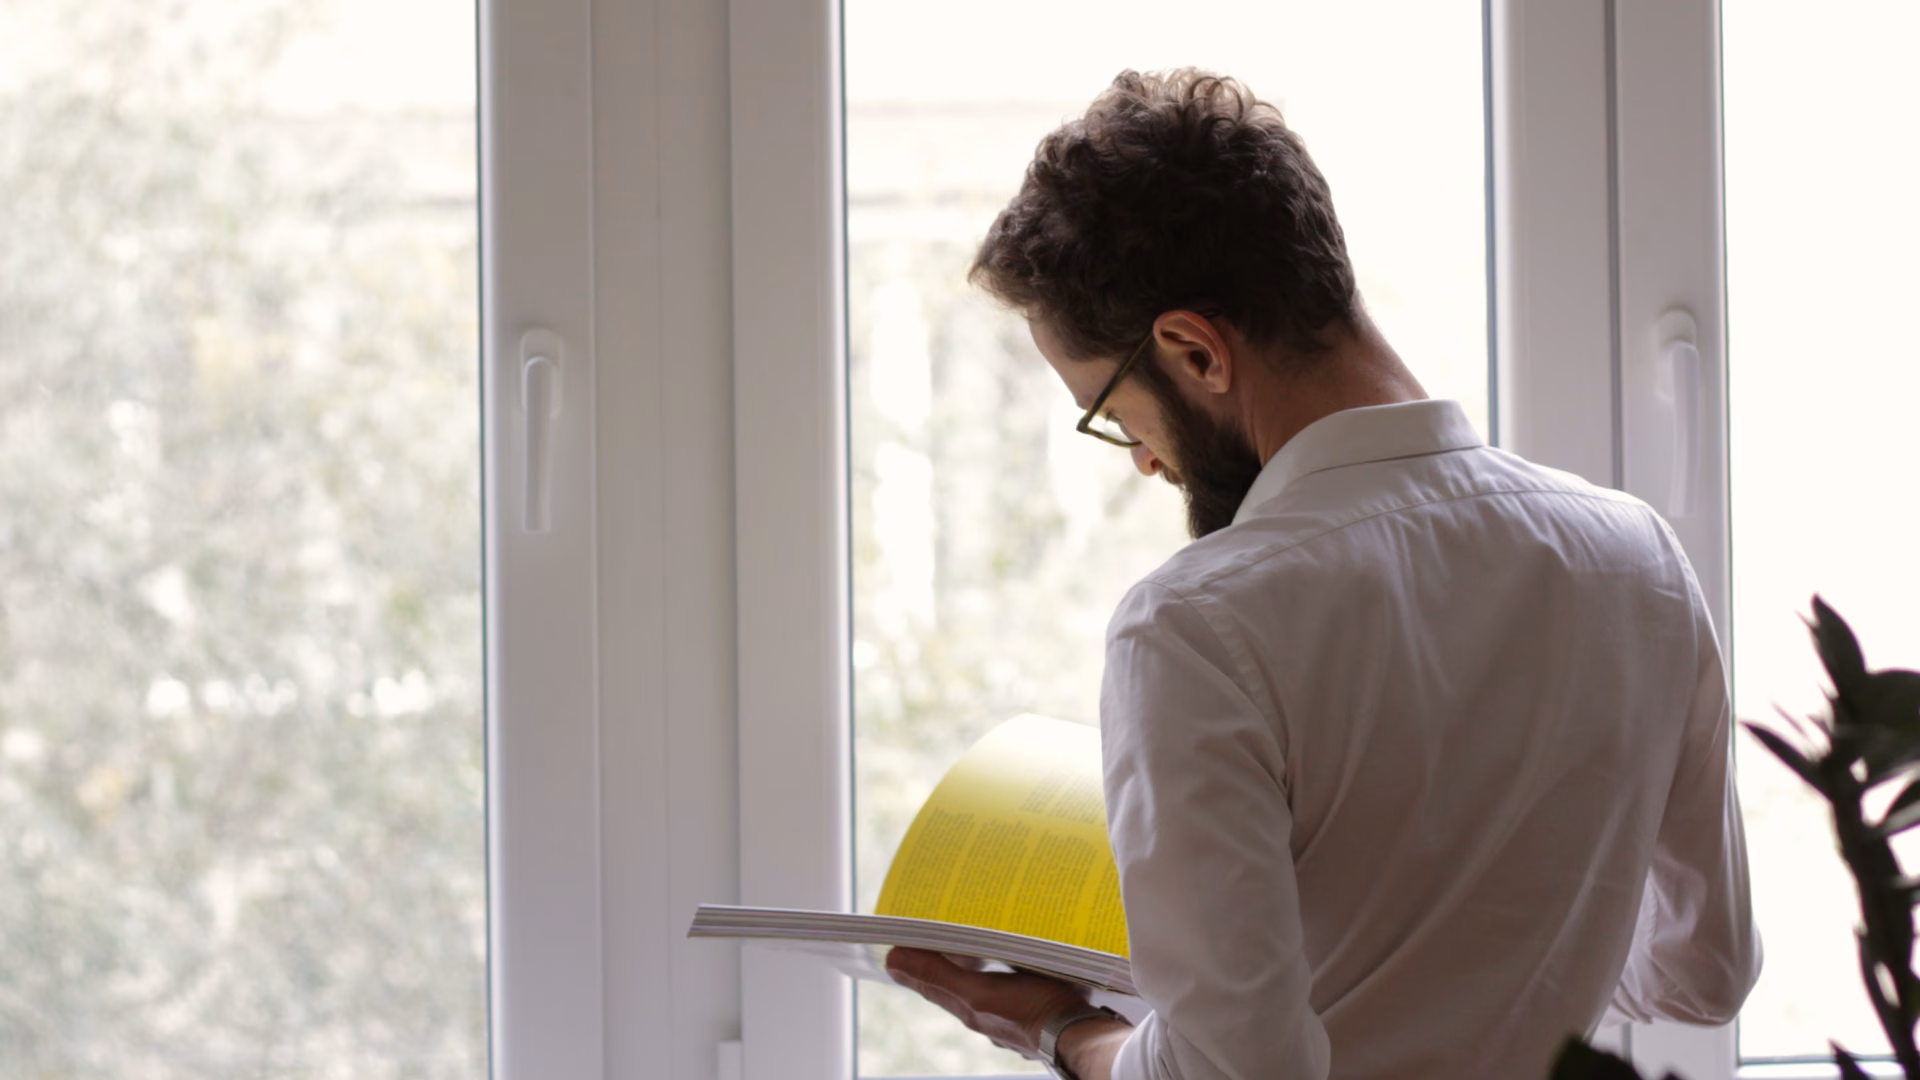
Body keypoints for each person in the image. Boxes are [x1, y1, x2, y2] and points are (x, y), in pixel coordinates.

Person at [883, 69, 1761, 1080]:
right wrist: (1484, 969)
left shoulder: (1197, 626)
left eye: (1116, 415)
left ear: (1195, 352)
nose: (1143, 460)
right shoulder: (1636, 557)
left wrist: (1060, 1031)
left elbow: (1232, 1073)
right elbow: (1705, 971)